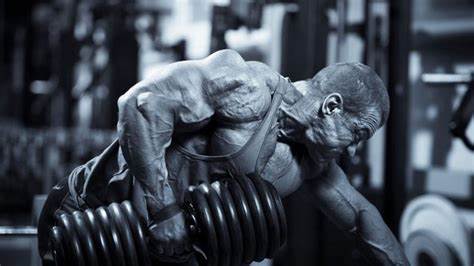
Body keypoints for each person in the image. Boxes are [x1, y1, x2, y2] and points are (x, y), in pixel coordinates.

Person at [38, 49, 409, 265]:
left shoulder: (312, 164)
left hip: (152, 256)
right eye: (358, 133)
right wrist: (164, 210)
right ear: (331, 106)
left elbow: (361, 218)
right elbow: (140, 105)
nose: (354, 149)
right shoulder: (248, 90)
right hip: (83, 221)